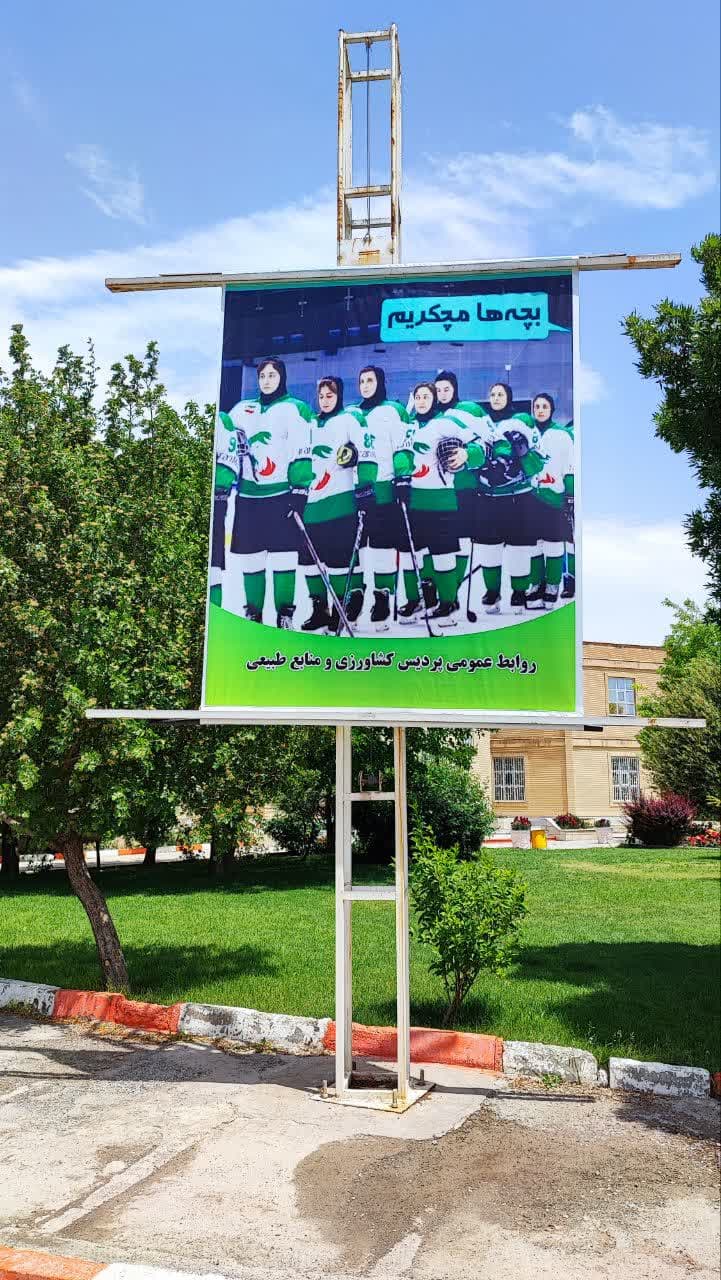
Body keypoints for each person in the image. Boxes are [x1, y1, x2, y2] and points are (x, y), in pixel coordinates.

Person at [225, 357, 312, 629]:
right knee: (251, 560)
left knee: (284, 557)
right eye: (262, 376)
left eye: (272, 375)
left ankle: (285, 614)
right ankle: (254, 614)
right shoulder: (241, 410)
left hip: (281, 496)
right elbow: (227, 444)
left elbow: (301, 451)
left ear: (282, 377)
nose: (266, 380)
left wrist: (300, 491)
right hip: (248, 498)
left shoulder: (295, 408)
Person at [301, 376, 377, 632]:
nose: (325, 401)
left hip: (340, 503)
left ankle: (340, 608)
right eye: (321, 396)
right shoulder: (310, 423)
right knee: (310, 562)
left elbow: (367, 452)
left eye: (330, 396)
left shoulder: (350, 419)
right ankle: (319, 610)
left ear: (339, 396)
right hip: (311, 505)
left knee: (338, 562)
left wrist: (366, 485)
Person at [392, 382, 461, 627]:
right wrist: (401, 477)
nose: (421, 401)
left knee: (442, 555)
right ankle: (416, 600)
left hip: (440, 502)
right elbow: (400, 454)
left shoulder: (444, 423)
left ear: (434, 400)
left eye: (426, 397)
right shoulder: (407, 427)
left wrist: (466, 454)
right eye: (418, 397)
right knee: (411, 555)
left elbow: (474, 442)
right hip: (413, 501)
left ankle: (448, 603)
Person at [354, 366, 410, 628]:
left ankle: (382, 600)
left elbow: (402, 447)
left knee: (382, 549)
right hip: (355, 491)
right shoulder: (351, 413)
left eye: (370, 380)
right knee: (354, 549)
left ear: (381, 382)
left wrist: (403, 477)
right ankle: (354, 599)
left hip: (384, 490)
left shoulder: (393, 410)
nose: (365, 385)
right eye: (362, 381)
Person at [527, 393, 575, 606]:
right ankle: (536, 584)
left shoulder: (562, 435)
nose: (540, 410)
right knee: (534, 545)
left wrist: (570, 495)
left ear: (552, 409)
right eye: (537, 406)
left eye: (544, 406)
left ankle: (553, 585)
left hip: (554, 498)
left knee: (554, 544)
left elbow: (569, 468)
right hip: (530, 497)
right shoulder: (527, 432)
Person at [209, 409, 241, 608]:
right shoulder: (225, 421)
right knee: (213, 566)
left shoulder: (220, 421)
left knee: (212, 566)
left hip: (217, 502)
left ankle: (215, 611)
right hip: (221, 500)